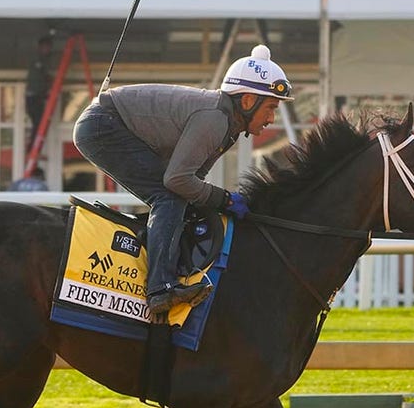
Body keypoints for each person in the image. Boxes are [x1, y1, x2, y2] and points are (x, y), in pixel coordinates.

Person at [73, 44, 293, 316]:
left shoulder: (229, 125)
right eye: (270, 107)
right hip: (101, 125)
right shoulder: (216, 119)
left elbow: (194, 179)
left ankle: (162, 271)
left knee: (179, 199)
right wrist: (223, 199)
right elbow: (177, 180)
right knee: (169, 196)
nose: (272, 118)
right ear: (247, 101)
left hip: (106, 120)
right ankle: (160, 289)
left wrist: (212, 200)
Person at [25, 35, 54, 145]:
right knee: (38, 121)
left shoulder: (44, 60)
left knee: (40, 121)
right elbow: (40, 77)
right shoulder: (37, 60)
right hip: (33, 96)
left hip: (37, 96)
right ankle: (32, 145)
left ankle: (34, 144)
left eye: (49, 47)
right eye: (45, 47)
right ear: (40, 47)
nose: (47, 50)